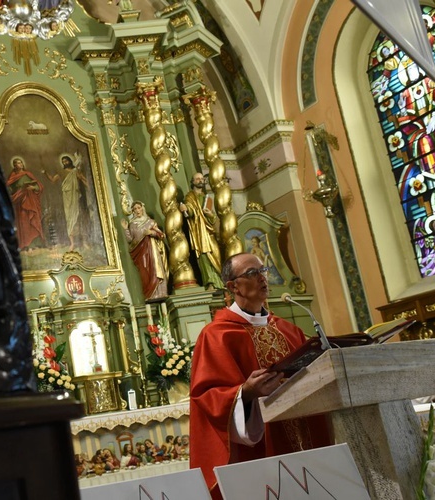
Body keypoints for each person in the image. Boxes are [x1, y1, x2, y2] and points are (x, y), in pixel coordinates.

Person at [189, 252, 332, 499]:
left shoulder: (288, 329)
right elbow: (206, 396)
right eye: (253, 273)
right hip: (259, 452)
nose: (263, 278)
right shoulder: (216, 335)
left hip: (307, 440)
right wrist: (245, 392)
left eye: (263, 270)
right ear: (234, 286)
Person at [180, 171, 223, 290]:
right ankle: (210, 283)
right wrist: (185, 209)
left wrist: (210, 215)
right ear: (193, 182)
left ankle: (219, 282)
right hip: (199, 232)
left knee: (215, 254)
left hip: (209, 232)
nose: (200, 180)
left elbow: (213, 218)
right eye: (197, 179)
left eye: (201, 179)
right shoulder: (190, 196)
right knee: (204, 256)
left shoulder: (207, 198)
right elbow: (190, 209)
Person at [42, 153, 92, 251]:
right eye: (63, 161)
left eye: (66, 160)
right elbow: (53, 180)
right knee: (70, 218)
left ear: (70, 161)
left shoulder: (75, 171)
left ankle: (84, 242)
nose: (65, 162)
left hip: (76, 196)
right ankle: (72, 243)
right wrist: (45, 173)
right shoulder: (61, 172)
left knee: (80, 217)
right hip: (67, 198)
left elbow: (83, 179)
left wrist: (91, 188)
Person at [121, 201, 169, 300]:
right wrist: (126, 229)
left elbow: (161, 235)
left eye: (139, 208)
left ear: (142, 208)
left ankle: (160, 293)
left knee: (156, 270)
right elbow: (130, 240)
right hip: (140, 252)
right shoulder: (132, 224)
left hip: (152, 250)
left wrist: (151, 232)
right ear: (133, 212)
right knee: (145, 272)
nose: (137, 210)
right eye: (135, 209)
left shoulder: (150, 222)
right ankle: (150, 295)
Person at [6, 157, 45, 251]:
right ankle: (24, 244)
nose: (20, 164)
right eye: (18, 163)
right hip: (19, 202)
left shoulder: (28, 174)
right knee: (23, 222)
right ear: (14, 166)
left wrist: (33, 187)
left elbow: (39, 186)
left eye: (21, 163)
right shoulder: (12, 177)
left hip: (30, 200)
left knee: (32, 220)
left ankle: (35, 244)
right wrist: (19, 189)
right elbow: (8, 189)